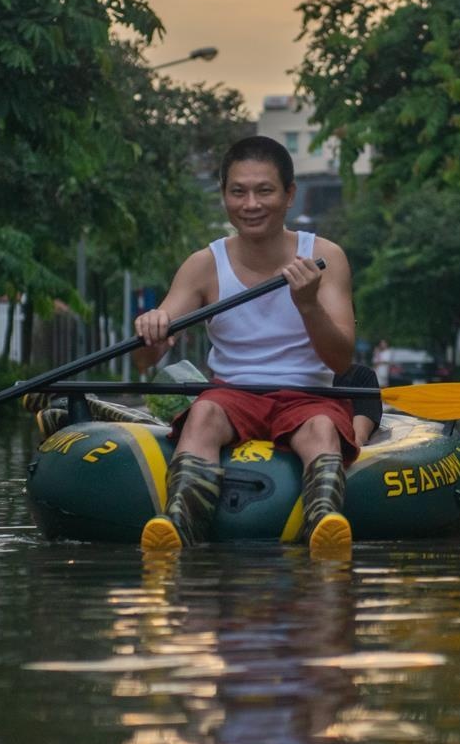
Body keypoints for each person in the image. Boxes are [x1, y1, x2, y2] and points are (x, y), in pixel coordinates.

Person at [133, 135, 358, 555]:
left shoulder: (326, 256)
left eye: (264, 190)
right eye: (238, 191)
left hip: (309, 395)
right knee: (202, 414)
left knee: (322, 429)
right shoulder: (203, 265)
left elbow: (341, 359)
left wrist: (308, 306)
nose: (250, 204)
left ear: (289, 195)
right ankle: (178, 522)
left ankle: (324, 520)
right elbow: (146, 361)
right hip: (232, 394)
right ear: (224, 196)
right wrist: (152, 328)